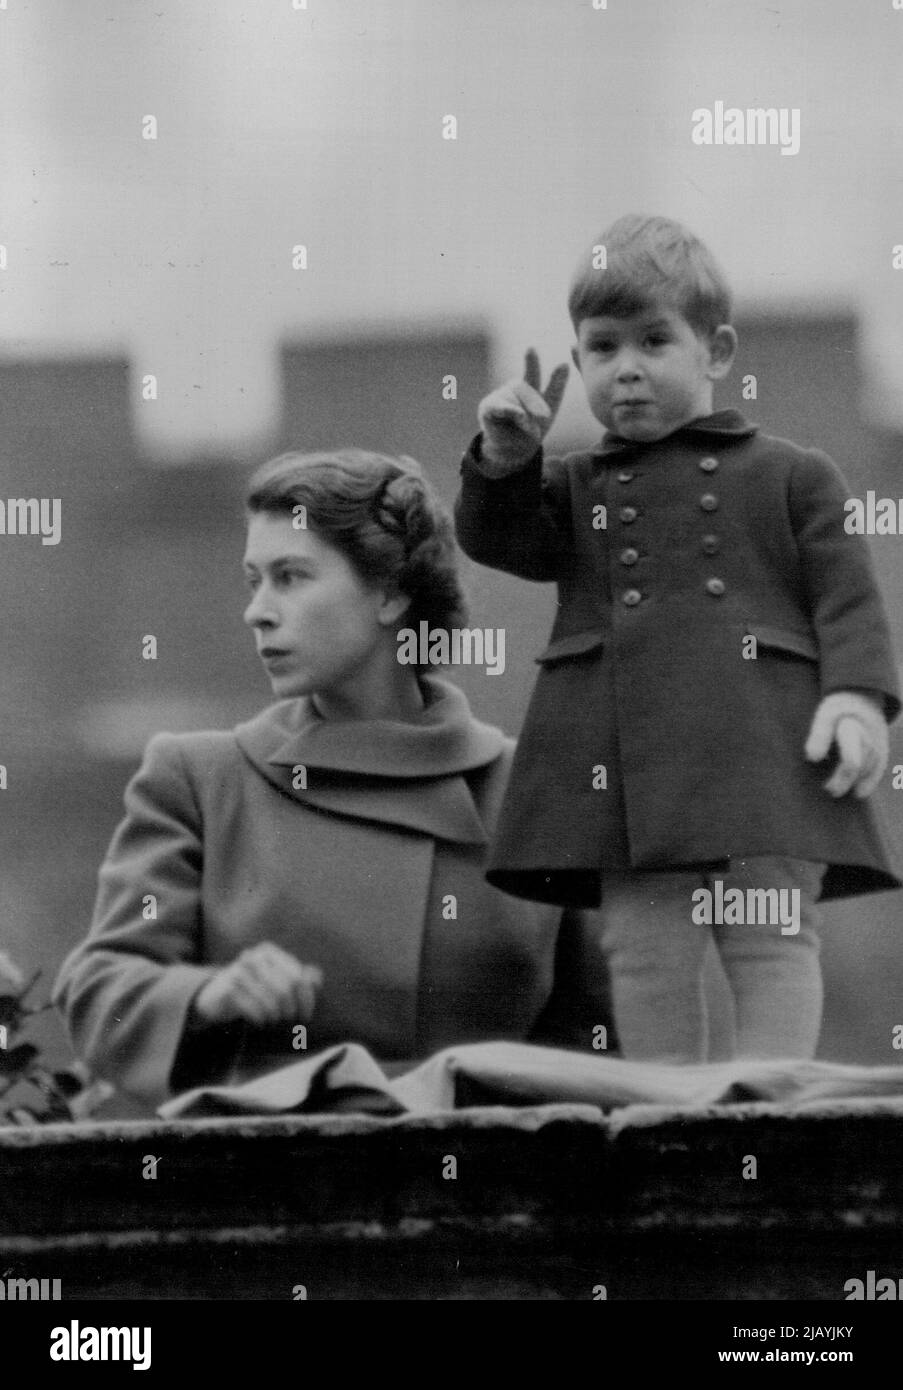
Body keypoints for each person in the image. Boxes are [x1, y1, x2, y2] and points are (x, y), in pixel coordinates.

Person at [454, 213, 901, 1065]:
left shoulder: (795, 474)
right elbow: (499, 542)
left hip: (765, 757)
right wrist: (504, 461)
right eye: (601, 346)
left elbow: (846, 602)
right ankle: (665, 1114)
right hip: (622, 765)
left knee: (768, 935)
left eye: (654, 341)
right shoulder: (574, 484)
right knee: (644, 947)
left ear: (716, 350)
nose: (625, 369)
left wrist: (853, 700)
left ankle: (773, 1109)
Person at [53, 449, 613, 1113]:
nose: (256, 612)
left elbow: (599, 1051)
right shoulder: (201, 780)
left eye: (290, 577)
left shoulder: (533, 789)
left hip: (494, 1188)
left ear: (392, 592)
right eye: (252, 581)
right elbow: (100, 992)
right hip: (269, 1186)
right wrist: (207, 996)